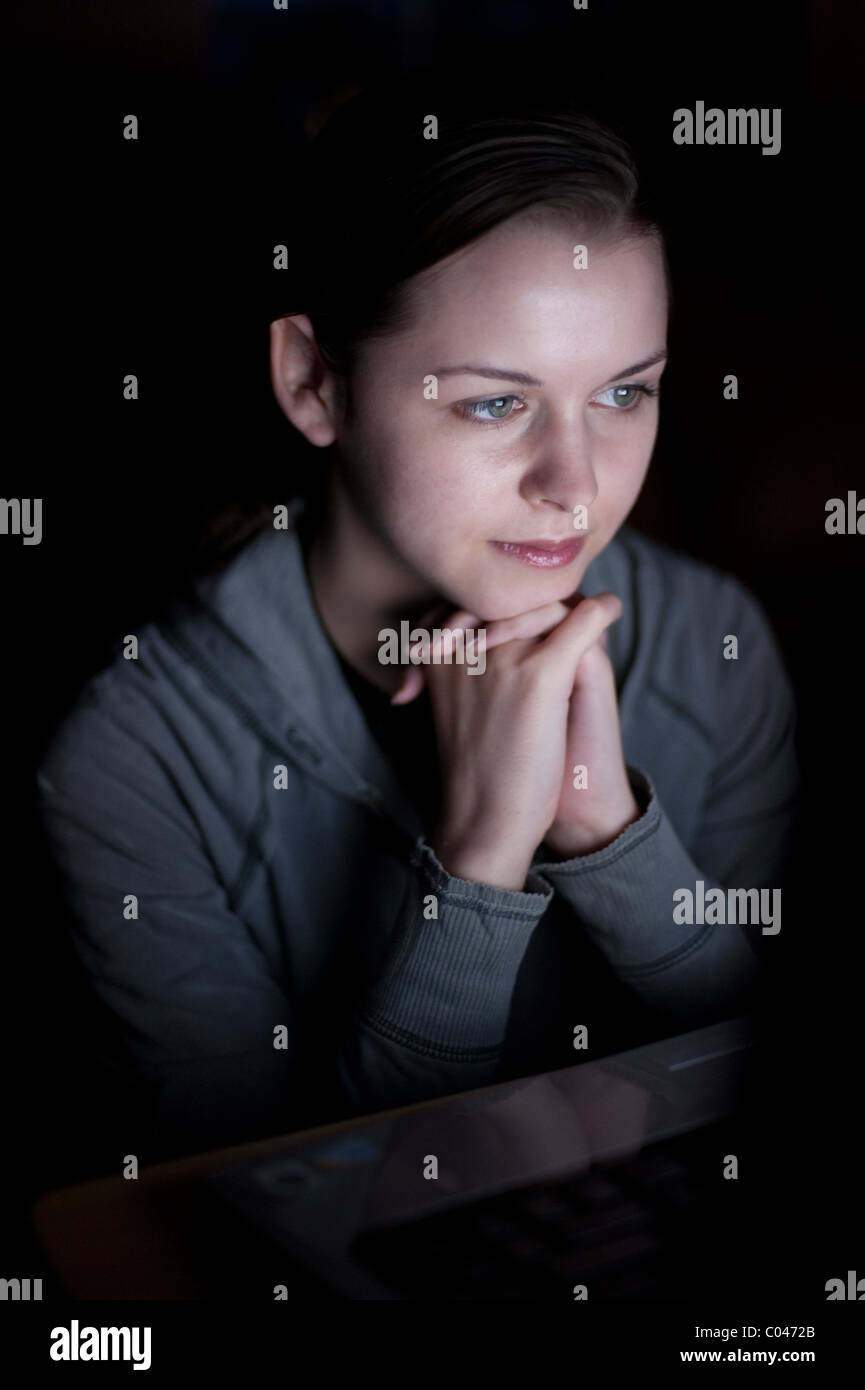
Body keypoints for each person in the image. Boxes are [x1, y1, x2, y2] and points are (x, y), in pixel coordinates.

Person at [35, 77, 800, 1157]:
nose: (573, 485)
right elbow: (261, 1217)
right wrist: (480, 860)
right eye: (495, 402)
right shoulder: (135, 756)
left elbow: (768, 1132)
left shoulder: (714, 648)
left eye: (624, 393)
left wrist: (613, 835)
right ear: (312, 382)